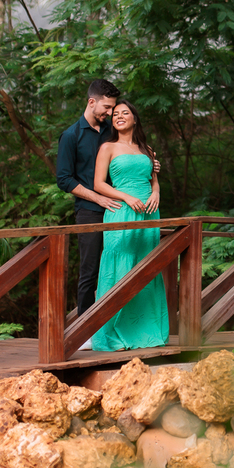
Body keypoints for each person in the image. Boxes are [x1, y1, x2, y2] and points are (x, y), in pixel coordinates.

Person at [89, 99, 168, 351]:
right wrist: (126, 197)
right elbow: (99, 184)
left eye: (125, 113)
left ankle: (144, 331)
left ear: (135, 118)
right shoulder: (108, 147)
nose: (119, 117)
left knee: (146, 265)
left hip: (149, 213)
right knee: (118, 267)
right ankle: (110, 334)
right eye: (115, 114)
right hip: (121, 211)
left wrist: (156, 193)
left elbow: (153, 180)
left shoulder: (147, 149)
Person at [55, 79, 122, 341]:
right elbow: (64, 179)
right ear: (91, 102)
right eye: (107, 107)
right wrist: (97, 198)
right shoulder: (71, 136)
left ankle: (115, 328)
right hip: (88, 211)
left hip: (118, 209)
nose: (110, 112)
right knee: (89, 271)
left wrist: (151, 163)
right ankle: (85, 335)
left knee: (118, 267)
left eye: (113, 107)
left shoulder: (111, 131)